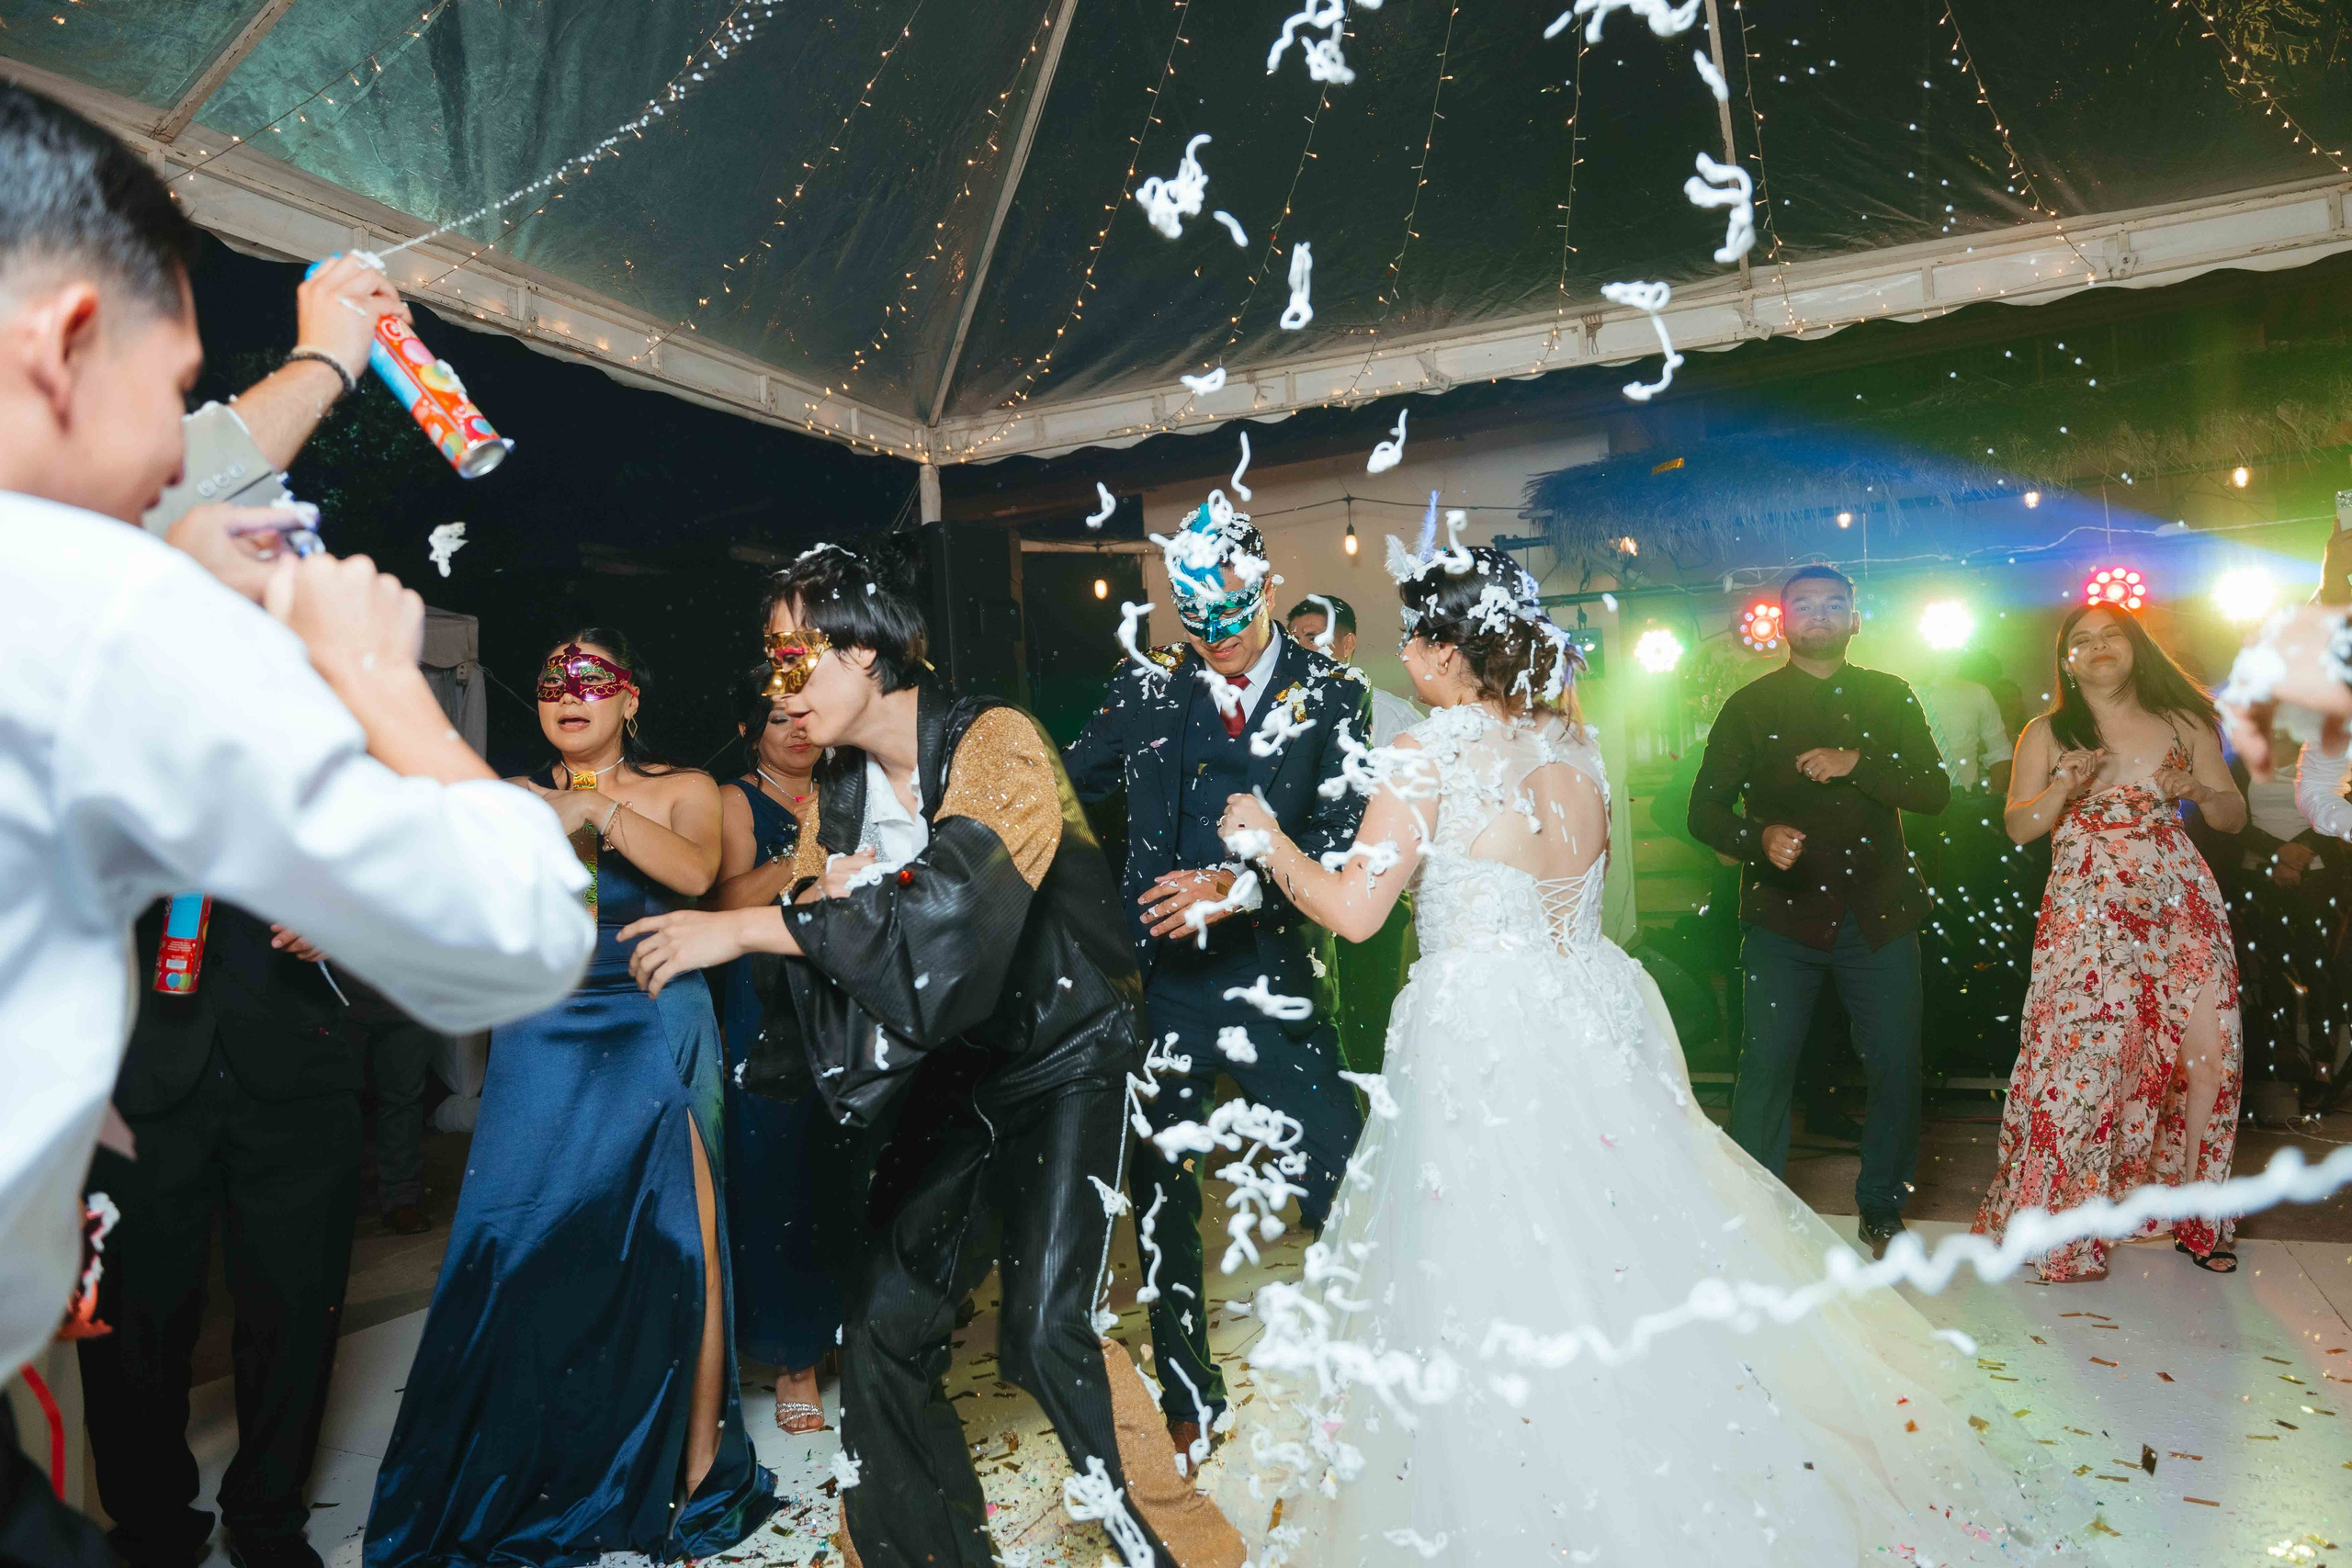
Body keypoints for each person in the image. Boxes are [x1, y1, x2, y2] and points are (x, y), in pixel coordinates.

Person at [1211, 546, 2097, 1563]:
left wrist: (1266, 839)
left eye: (1418, 629)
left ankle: (1525, 1478)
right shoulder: (1580, 745)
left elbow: (1355, 915)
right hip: (1587, 1008)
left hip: (1480, 1033)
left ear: (1453, 649)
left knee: (1495, 1254)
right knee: (1628, 1235)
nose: (1406, 648)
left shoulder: (1429, 752)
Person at [0, 81, 592, 1567]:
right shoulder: (101, 615)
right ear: (67, 344)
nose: (179, 453)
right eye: (177, 386)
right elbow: (514, 935)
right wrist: (378, 684)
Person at [619, 545, 1242, 1568]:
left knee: (1044, 1329)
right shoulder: (835, 791)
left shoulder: (997, 742)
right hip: (950, 1078)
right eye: (768, 665)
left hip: (1066, 1059)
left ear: (863, 651)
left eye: (793, 658)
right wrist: (819, 904)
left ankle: (1185, 1555)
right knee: (879, 1334)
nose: (776, 688)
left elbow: (951, 912)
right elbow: (838, 944)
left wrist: (754, 925)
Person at [73, 250, 437, 1568]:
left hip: (296, 1057)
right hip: (139, 1064)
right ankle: (156, 1531)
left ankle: (273, 1522)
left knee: (296, 1310)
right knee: (135, 1328)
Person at [363, 630, 777, 1566]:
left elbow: (694, 876)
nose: (568, 691)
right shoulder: (510, 793)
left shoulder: (686, 790)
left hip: (656, 1013)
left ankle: (702, 1464)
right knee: (519, 1242)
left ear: (630, 698)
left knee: (685, 1240)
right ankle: (540, 1457)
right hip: (543, 1027)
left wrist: (585, 805)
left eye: (592, 678)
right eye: (553, 679)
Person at [1064, 506, 1371, 1452]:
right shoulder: (1146, 688)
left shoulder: (1332, 693)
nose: (1220, 639)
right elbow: (1063, 788)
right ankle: (1188, 1398)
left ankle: (1380, 1370)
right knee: (1161, 1199)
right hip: (1161, 990)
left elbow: (1340, 842)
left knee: (1340, 1175)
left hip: (1272, 984)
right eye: (1199, 624)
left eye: (1235, 615)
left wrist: (1238, 888)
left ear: (1267, 587)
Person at [1974, 604, 2247, 1280]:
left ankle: (2199, 1216)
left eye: (2111, 636)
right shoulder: (2047, 731)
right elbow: (2018, 826)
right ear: (2066, 658)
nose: (2097, 648)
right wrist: (2063, 787)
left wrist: (2200, 792)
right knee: (2088, 1061)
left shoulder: (2186, 721)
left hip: (2177, 894)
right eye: (2082, 640)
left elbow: (2234, 814)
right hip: (2088, 902)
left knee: (2209, 1049)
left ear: (2136, 647)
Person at [1686, 565, 1948, 1257]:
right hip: (1782, 916)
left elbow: (1933, 790)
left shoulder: (1891, 696)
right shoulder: (1749, 706)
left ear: (1856, 619)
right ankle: (1755, 1211)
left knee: (1895, 1061)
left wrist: (1857, 759)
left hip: (1880, 913)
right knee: (1765, 1065)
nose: (1821, 614)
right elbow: (1701, 810)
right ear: (1783, 620)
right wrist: (1756, 838)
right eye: (1805, 604)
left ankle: (1883, 1204)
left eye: (1836, 604)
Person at [710, 661, 840, 1434]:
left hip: (847, 996)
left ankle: (847, 1331)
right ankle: (793, 1358)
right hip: (767, 1004)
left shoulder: (855, 783)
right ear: (751, 729)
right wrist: (805, 853)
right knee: (779, 1178)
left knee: (844, 1171)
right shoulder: (735, 800)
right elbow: (724, 899)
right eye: (779, 717)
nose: (797, 729)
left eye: (806, 714)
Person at [1285, 594, 1420, 1072]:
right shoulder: (1276, 719)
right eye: (1295, 635)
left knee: (1369, 1019)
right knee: (1308, 1025)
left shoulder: (1393, 718)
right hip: (1297, 896)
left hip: (1373, 893)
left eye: (1314, 636)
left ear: (1346, 644)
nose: (1301, 646)